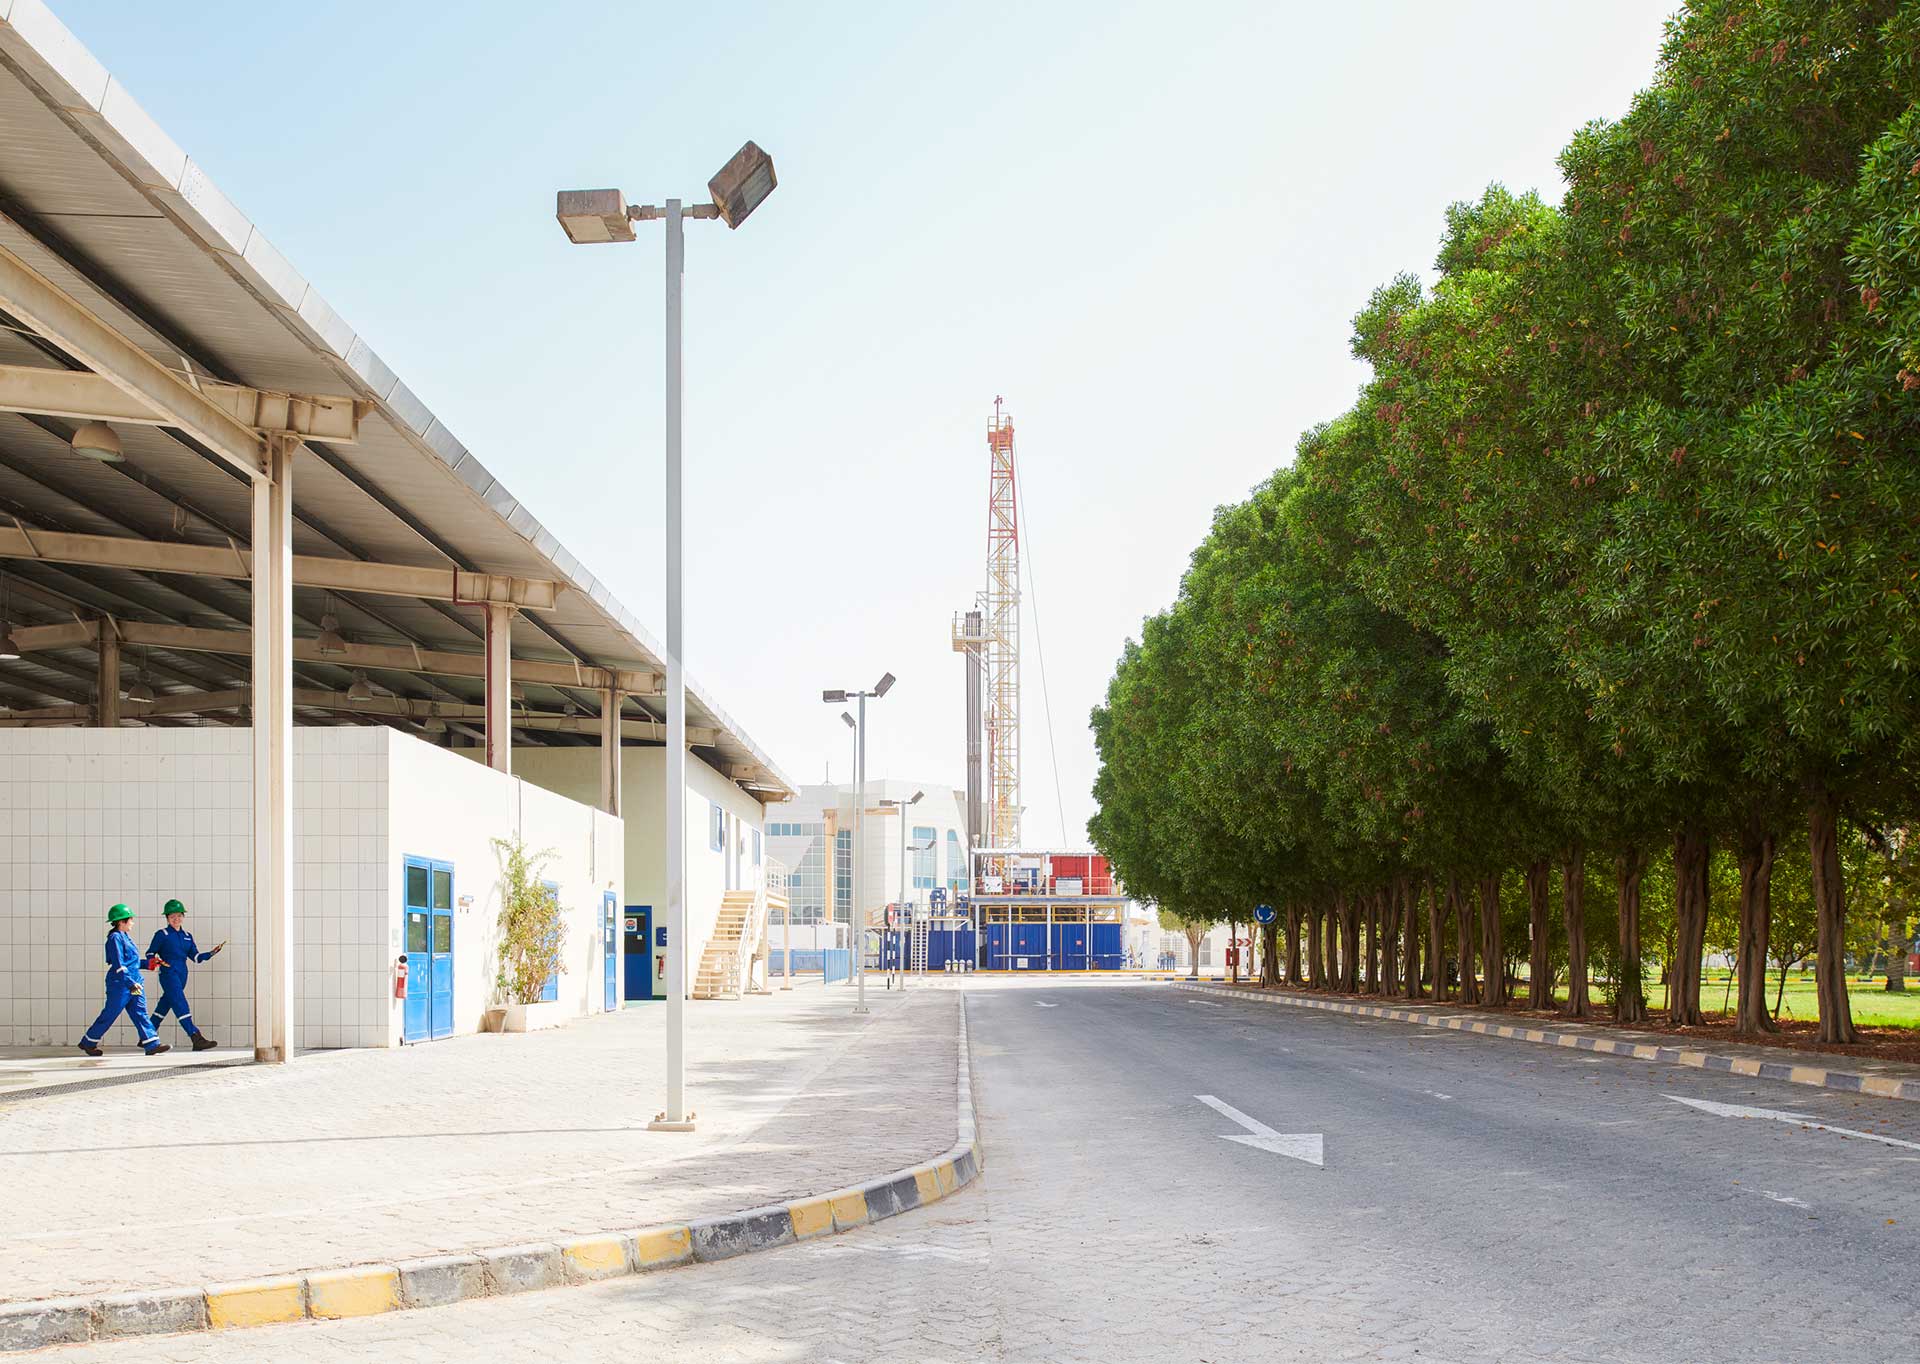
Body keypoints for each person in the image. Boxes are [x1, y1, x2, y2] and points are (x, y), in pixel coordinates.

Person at [77, 904, 168, 1057]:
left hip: (135, 982)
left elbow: (132, 962)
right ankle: (88, 1042)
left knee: (140, 1012)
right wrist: (130, 983)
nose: (132, 922)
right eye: (130, 920)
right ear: (122, 921)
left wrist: (150, 963)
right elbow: (119, 964)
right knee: (111, 1013)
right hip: (121, 984)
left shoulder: (126, 937)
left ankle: (152, 1044)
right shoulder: (114, 938)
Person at [145, 898, 222, 1051]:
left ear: (183, 917)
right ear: (167, 918)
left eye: (179, 915)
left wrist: (211, 953)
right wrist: (156, 960)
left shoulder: (187, 935)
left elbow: (195, 957)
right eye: (172, 916)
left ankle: (146, 1036)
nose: (176, 919)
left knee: (165, 1005)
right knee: (180, 1003)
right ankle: (195, 1036)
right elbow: (150, 953)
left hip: (182, 975)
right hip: (168, 974)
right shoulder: (162, 934)